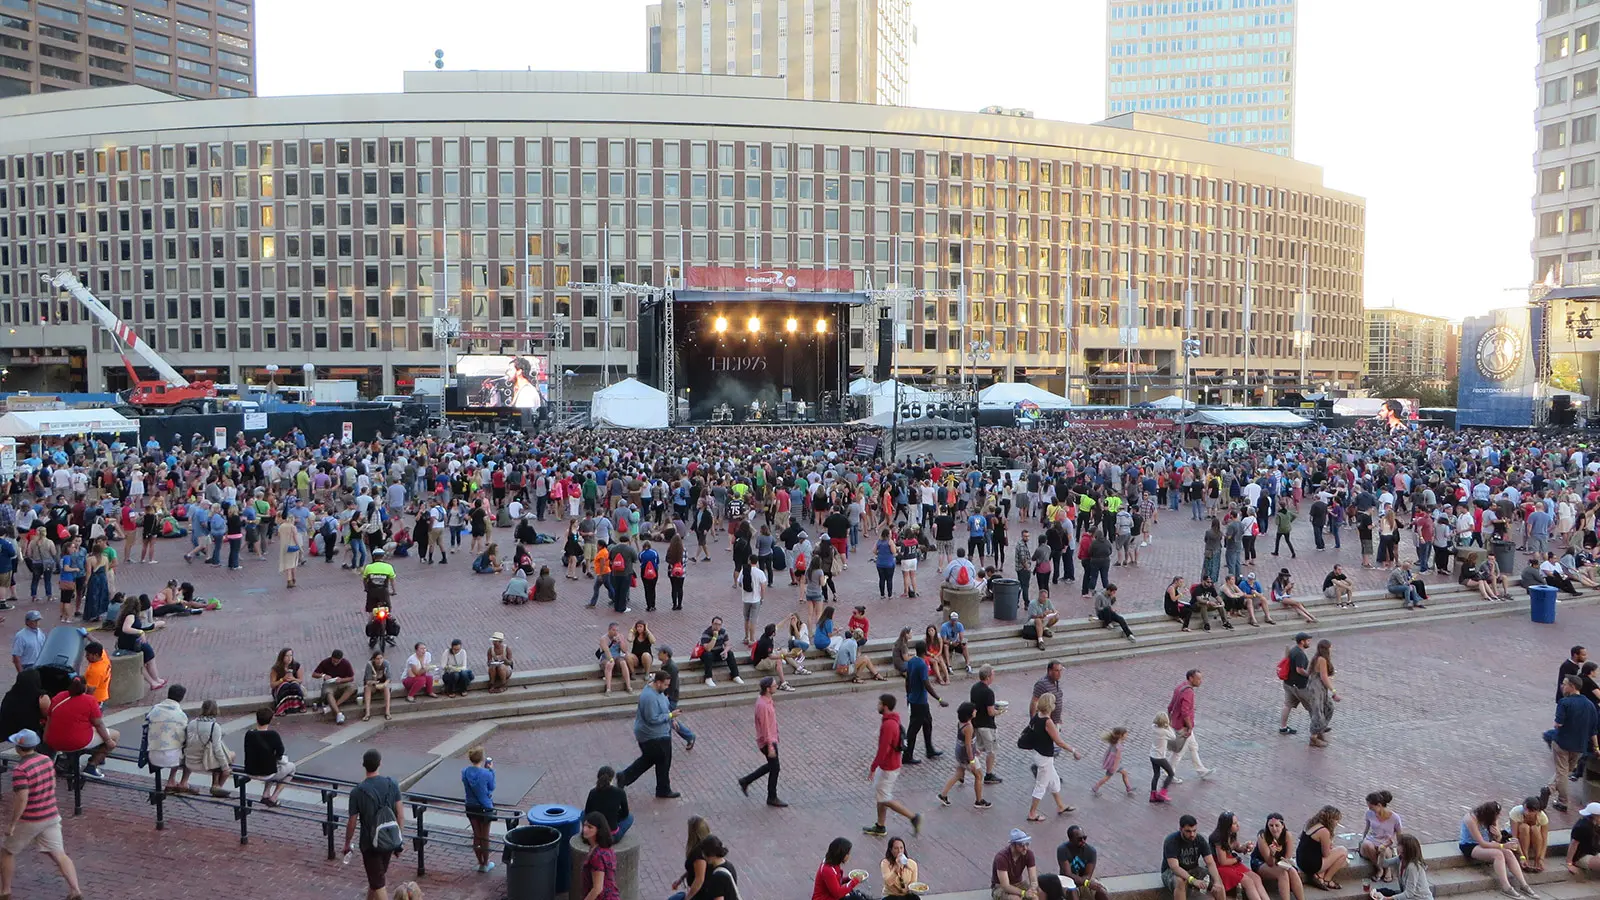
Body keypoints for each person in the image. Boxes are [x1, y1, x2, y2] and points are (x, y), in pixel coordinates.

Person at [0, 728, 84, 900]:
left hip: (30, 819)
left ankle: (5, 890)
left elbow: (21, 799)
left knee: (7, 852)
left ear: (18, 747)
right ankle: (75, 890)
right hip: (51, 815)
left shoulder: (21, 770)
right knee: (59, 853)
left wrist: (13, 823)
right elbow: (52, 784)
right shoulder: (46, 760)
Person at [343, 748, 404, 900]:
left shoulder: (357, 792)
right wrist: (398, 840)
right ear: (380, 764)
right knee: (376, 879)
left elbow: (352, 821)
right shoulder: (392, 784)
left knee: (378, 882)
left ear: (364, 765)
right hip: (389, 839)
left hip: (369, 843)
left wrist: (347, 842)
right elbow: (400, 815)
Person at [865, 694, 921, 838]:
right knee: (881, 795)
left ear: (885, 706)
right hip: (891, 764)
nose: (877, 706)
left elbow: (883, 749)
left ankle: (913, 817)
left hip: (888, 766)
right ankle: (880, 825)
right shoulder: (892, 721)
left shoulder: (888, 725)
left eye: (879, 703)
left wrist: (873, 767)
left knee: (884, 798)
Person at [617, 670, 679, 799]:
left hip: (656, 734)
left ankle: (624, 777)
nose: (667, 687)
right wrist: (670, 716)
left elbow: (664, 706)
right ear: (658, 683)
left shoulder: (658, 692)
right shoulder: (649, 697)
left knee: (649, 759)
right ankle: (663, 789)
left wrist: (671, 720)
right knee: (663, 760)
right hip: (653, 735)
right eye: (666, 685)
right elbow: (652, 719)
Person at [42, 676, 118, 780]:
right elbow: (98, 724)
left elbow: (49, 718)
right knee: (115, 735)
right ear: (85, 687)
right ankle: (92, 766)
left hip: (53, 740)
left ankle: (71, 762)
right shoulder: (90, 700)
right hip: (77, 741)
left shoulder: (59, 696)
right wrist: (108, 741)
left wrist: (46, 737)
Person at [1459, 801, 1535, 899]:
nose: (1498, 817)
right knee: (1498, 854)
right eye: (1496, 815)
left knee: (1508, 853)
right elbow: (1482, 843)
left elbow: (1497, 839)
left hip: (1488, 842)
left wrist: (1498, 835)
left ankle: (1524, 884)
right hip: (1470, 845)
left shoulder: (1493, 818)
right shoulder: (1470, 819)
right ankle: (1506, 887)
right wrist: (1503, 846)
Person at [1024, 693, 1081, 821]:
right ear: (1050, 705)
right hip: (1044, 757)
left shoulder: (1037, 717)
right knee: (1041, 785)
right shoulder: (1047, 721)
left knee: (1054, 780)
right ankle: (1032, 813)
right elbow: (1059, 741)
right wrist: (1073, 751)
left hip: (1039, 754)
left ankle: (1060, 806)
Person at [1549, 675, 1598, 812]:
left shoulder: (1564, 703)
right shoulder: (1590, 705)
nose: (1562, 686)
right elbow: (1593, 729)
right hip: (1579, 746)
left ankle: (1562, 801)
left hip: (1562, 743)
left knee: (1562, 772)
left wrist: (1559, 724)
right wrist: (1596, 747)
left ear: (1572, 686)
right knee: (1565, 771)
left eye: (1564, 684)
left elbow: (1558, 723)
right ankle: (1549, 789)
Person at [736, 676, 787, 806]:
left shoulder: (766, 700)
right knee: (775, 768)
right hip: (767, 741)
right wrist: (770, 745)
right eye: (775, 686)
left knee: (772, 766)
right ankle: (771, 797)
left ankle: (746, 781)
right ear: (768, 689)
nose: (777, 687)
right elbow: (765, 728)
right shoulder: (763, 705)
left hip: (771, 738)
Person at [176, 698, 234, 797]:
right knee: (227, 754)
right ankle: (217, 785)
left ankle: (183, 782)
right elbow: (217, 750)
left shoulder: (192, 723)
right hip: (205, 764)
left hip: (189, 761)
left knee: (203, 748)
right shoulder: (215, 727)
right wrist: (225, 768)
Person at [939, 700, 991, 809]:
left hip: (959, 754)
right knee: (979, 775)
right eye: (974, 710)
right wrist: (972, 760)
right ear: (969, 714)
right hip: (966, 756)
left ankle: (943, 794)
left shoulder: (961, 723)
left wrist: (974, 749)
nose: (976, 711)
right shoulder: (968, 727)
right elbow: (968, 745)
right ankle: (979, 800)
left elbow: (968, 742)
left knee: (958, 774)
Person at [902, 640, 946, 765]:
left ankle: (929, 749)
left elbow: (907, 679)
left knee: (927, 722)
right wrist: (939, 699)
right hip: (920, 701)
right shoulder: (922, 665)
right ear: (925, 650)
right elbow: (926, 684)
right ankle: (907, 755)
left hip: (915, 699)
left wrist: (908, 695)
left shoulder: (911, 662)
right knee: (914, 728)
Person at [1163, 813, 1225, 900]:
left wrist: (1217, 881)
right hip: (1171, 872)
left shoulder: (1200, 840)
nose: (1192, 834)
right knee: (1180, 881)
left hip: (1193, 869)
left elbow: (1210, 863)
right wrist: (1193, 880)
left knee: (1217, 880)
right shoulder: (1171, 841)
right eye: (1188, 831)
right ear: (1181, 829)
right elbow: (1174, 867)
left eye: (1194, 830)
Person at [1210, 811, 1270, 900]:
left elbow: (1237, 847)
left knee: (1256, 878)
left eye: (1237, 822)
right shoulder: (1218, 838)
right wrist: (1237, 859)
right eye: (1234, 823)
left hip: (1232, 861)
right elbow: (1222, 861)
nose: (1238, 825)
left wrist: (1245, 847)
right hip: (1221, 866)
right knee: (1248, 882)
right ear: (1227, 826)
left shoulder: (1232, 834)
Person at [243, 706, 295, 807]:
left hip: (250, 771)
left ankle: (266, 794)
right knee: (291, 768)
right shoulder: (273, 735)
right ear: (270, 720)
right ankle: (274, 797)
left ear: (256, 719)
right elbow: (281, 751)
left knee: (272, 766)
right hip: (267, 772)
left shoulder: (249, 734)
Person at [114, 594, 167, 691]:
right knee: (148, 657)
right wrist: (140, 632)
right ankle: (154, 681)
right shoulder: (130, 615)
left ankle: (155, 680)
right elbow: (126, 629)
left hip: (129, 641)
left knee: (145, 659)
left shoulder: (126, 614)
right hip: (131, 642)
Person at [1167, 669, 1213, 780]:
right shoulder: (1189, 692)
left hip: (1177, 722)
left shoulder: (1180, 687)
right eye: (1198, 679)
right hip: (1184, 726)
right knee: (1179, 752)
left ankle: (1201, 770)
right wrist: (1189, 726)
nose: (1200, 681)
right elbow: (1185, 712)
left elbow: (1171, 706)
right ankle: (1169, 774)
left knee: (1193, 746)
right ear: (1191, 678)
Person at [1250, 813, 1304, 900]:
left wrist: (1284, 862)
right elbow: (1270, 863)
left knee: (1292, 871)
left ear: (1282, 826)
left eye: (1277, 825)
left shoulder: (1287, 835)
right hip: (1261, 861)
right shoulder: (1263, 836)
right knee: (1282, 874)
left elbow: (1288, 858)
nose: (1274, 829)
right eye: (1271, 825)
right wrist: (1272, 854)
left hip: (1279, 861)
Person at [1296, 806, 1348, 891]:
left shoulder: (1310, 823)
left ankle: (1320, 876)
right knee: (1343, 851)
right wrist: (1330, 844)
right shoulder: (1324, 831)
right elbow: (1326, 854)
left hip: (1300, 860)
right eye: (1336, 820)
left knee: (1341, 861)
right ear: (1330, 820)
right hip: (1311, 865)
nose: (1337, 823)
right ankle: (1327, 879)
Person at [462, 748, 496, 873]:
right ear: (482, 759)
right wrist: (491, 770)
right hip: (484, 807)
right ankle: (486, 863)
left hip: (470, 805)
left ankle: (480, 862)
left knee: (476, 834)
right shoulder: (486, 773)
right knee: (485, 836)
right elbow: (491, 787)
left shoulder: (464, 772)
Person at [970, 666, 1004, 787]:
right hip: (987, 725)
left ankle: (963, 771)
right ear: (988, 677)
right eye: (993, 675)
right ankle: (988, 774)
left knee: (976, 749)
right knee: (992, 750)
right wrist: (999, 711)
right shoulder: (988, 692)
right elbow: (990, 712)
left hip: (976, 724)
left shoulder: (974, 688)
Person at [1360, 790, 1404, 882]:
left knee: (1385, 851)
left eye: (1372, 807)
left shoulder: (1395, 818)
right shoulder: (1369, 813)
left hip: (1386, 842)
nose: (1370, 809)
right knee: (1367, 845)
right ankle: (1379, 868)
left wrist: (1400, 849)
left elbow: (1399, 835)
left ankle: (1387, 869)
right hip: (1372, 840)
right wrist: (1362, 839)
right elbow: (1367, 828)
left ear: (1379, 805)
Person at [1058, 825, 1109, 900]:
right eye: (1079, 839)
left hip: (1084, 880)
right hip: (1067, 882)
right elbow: (1068, 874)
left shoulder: (1091, 851)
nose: (1083, 841)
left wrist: (1086, 882)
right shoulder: (1062, 850)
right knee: (1072, 892)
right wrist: (1086, 883)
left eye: (1084, 838)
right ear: (1071, 839)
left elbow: (1088, 875)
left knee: (1101, 891)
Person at [579, 811, 621, 900]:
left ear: (598, 830)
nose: (585, 829)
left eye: (590, 827)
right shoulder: (605, 849)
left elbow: (597, 889)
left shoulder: (597, 856)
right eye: (585, 825)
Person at [1279, 633, 1315, 736]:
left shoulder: (1293, 650)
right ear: (1302, 642)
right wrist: (1309, 675)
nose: (1309, 642)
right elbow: (1299, 670)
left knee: (1287, 705)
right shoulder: (1300, 654)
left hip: (1289, 683)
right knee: (1312, 706)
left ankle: (1283, 727)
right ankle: (1318, 728)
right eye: (1308, 641)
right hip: (1299, 686)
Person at [1306, 639, 1340, 748]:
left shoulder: (1317, 658)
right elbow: (1324, 677)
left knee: (1327, 707)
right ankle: (1314, 737)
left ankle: (1320, 729)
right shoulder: (1322, 660)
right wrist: (1334, 691)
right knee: (1318, 711)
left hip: (1317, 687)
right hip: (1317, 688)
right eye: (1330, 647)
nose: (1331, 649)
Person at [584, 765, 632, 840]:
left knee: (582, 813)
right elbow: (625, 813)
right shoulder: (620, 792)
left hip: (595, 834)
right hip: (611, 836)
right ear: (612, 779)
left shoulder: (593, 792)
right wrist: (615, 816)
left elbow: (587, 811)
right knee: (630, 818)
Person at [993, 828, 1041, 900]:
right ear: (1013, 845)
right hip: (1000, 887)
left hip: (1019, 884)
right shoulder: (1001, 858)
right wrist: (1023, 893)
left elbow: (1033, 879)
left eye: (1027, 844)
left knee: (1035, 897)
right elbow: (1005, 886)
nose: (1025, 848)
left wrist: (1033, 889)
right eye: (1021, 845)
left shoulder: (1029, 854)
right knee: (1015, 899)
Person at [313, 649, 358, 724]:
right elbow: (314, 674)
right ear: (331, 658)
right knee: (328, 693)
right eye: (333, 661)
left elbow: (351, 678)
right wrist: (323, 675)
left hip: (341, 683)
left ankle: (331, 707)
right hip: (329, 684)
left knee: (352, 687)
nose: (335, 663)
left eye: (337, 661)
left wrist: (342, 680)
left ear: (341, 659)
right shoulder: (325, 662)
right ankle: (338, 713)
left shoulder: (346, 663)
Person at [1506, 797, 1547, 875]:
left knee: (1535, 828)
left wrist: (1542, 858)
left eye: (1530, 811)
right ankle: (1526, 858)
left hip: (1534, 837)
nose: (1526, 813)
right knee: (1524, 827)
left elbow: (1544, 839)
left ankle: (1537, 860)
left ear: (1537, 811)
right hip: (1520, 836)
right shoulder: (1515, 812)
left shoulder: (1542, 817)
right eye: (1525, 809)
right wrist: (1522, 856)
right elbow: (1514, 838)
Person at [699, 616, 743, 687]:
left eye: (719, 625)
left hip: (718, 652)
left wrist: (725, 651)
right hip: (707, 654)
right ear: (712, 624)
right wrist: (714, 637)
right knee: (708, 655)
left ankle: (735, 675)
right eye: (715, 624)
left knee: (730, 653)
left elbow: (728, 644)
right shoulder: (706, 633)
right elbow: (708, 648)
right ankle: (708, 678)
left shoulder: (723, 632)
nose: (717, 626)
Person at [1091, 727, 1133, 797]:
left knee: (1124, 773)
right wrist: (1115, 767)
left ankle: (1129, 788)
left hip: (1113, 763)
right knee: (1107, 777)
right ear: (1120, 736)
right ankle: (1096, 787)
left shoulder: (1114, 741)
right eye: (1126, 734)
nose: (1127, 735)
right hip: (1114, 764)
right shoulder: (1119, 745)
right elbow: (1117, 757)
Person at [881, 835, 921, 900]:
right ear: (891, 850)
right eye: (896, 848)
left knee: (915, 898)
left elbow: (913, 884)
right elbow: (888, 882)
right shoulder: (885, 863)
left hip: (906, 894)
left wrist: (907, 889)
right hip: (891, 895)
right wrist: (896, 868)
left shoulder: (912, 864)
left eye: (901, 848)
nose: (899, 851)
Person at [269, 647, 306, 717]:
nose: (289, 658)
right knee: (285, 685)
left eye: (291, 655)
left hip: (292, 686)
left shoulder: (296, 665)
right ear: (282, 657)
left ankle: (299, 706)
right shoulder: (276, 668)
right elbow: (272, 684)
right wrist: (282, 679)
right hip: (280, 688)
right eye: (287, 656)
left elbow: (300, 680)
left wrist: (293, 679)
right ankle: (281, 708)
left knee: (294, 685)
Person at [1568, 801, 1600, 877]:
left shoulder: (1595, 824)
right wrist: (1569, 863)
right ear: (1595, 816)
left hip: (1594, 852)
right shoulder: (1583, 827)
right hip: (1582, 856)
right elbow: (1574, 844)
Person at [362, 650, 393, 722]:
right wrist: (374, 683)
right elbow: (367, 681)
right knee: (367, 688)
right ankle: (367, 713)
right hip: (372, 684)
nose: (380, 660)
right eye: (377, 659)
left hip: (382, 684)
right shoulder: (369, 665)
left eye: (381, 658)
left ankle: (387, 712)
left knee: (386, 687)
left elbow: (389, 678)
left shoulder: (386, 663)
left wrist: (384, 684)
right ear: (374, 659)